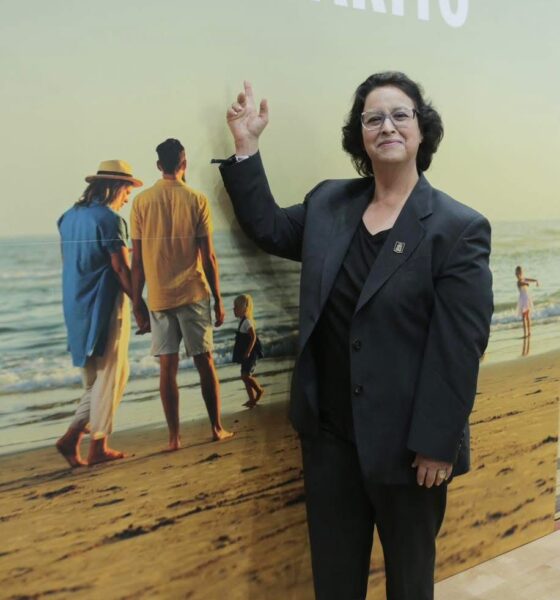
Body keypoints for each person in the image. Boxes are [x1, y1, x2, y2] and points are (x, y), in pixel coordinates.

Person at [219, 74, 493, 600]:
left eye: (400, 115)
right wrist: (246, 146)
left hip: (410, 451)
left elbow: (458, 347)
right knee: (335, 583)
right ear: (360, 135)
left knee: (409, 584)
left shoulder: (457, 227)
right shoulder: (330, 204)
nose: (387, 126)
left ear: (421, 129)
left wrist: (436, 443)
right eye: (373, 118)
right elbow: (270, 228)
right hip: (331, 442)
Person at [130, 138, 233, 450]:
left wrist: (136, 302)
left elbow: (137, 262)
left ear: (159, 165)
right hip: (193, 292)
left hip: (159, 297)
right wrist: (218, 298)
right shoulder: (197, 199)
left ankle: (174, 438)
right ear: (184, 163)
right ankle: (216, 428)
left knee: (167, 368)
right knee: (205, 362)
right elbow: (208, 256)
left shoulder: (141, 202)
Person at [56, 160, 149, 467]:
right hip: (104, 304)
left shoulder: (68, 217)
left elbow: (73, 260)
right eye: (127, 191)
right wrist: (139, 305)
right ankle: (95, 445)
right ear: (116, 187)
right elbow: (120, 268)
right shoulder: (111, 220)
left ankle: (73, 439)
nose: (128, 198)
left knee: (95, 379)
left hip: (75, 304)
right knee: (113, 373)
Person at [232, 294, 264, 408]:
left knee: (246, 376)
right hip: (245, 353)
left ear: (244, 309)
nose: (233, 309)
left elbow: (253, 337)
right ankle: (251, 399)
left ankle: (259, 390)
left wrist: (248, 352)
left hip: (250, 353)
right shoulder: (242, 321)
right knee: (244, 376)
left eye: (236, 307)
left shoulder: (247, 322)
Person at [515, 265, 539, 338]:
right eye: (517, 274)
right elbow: (521, 283)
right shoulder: (518, 282)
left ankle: (529, 332)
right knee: (524, 317)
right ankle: (525, 333)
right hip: (522, 300)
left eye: (519, 273)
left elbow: (530, 280)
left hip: (527, 299)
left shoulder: (524, 278)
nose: (518, 275)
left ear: (522, 273)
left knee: (527, 317)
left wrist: (536, 280)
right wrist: (526, 283)